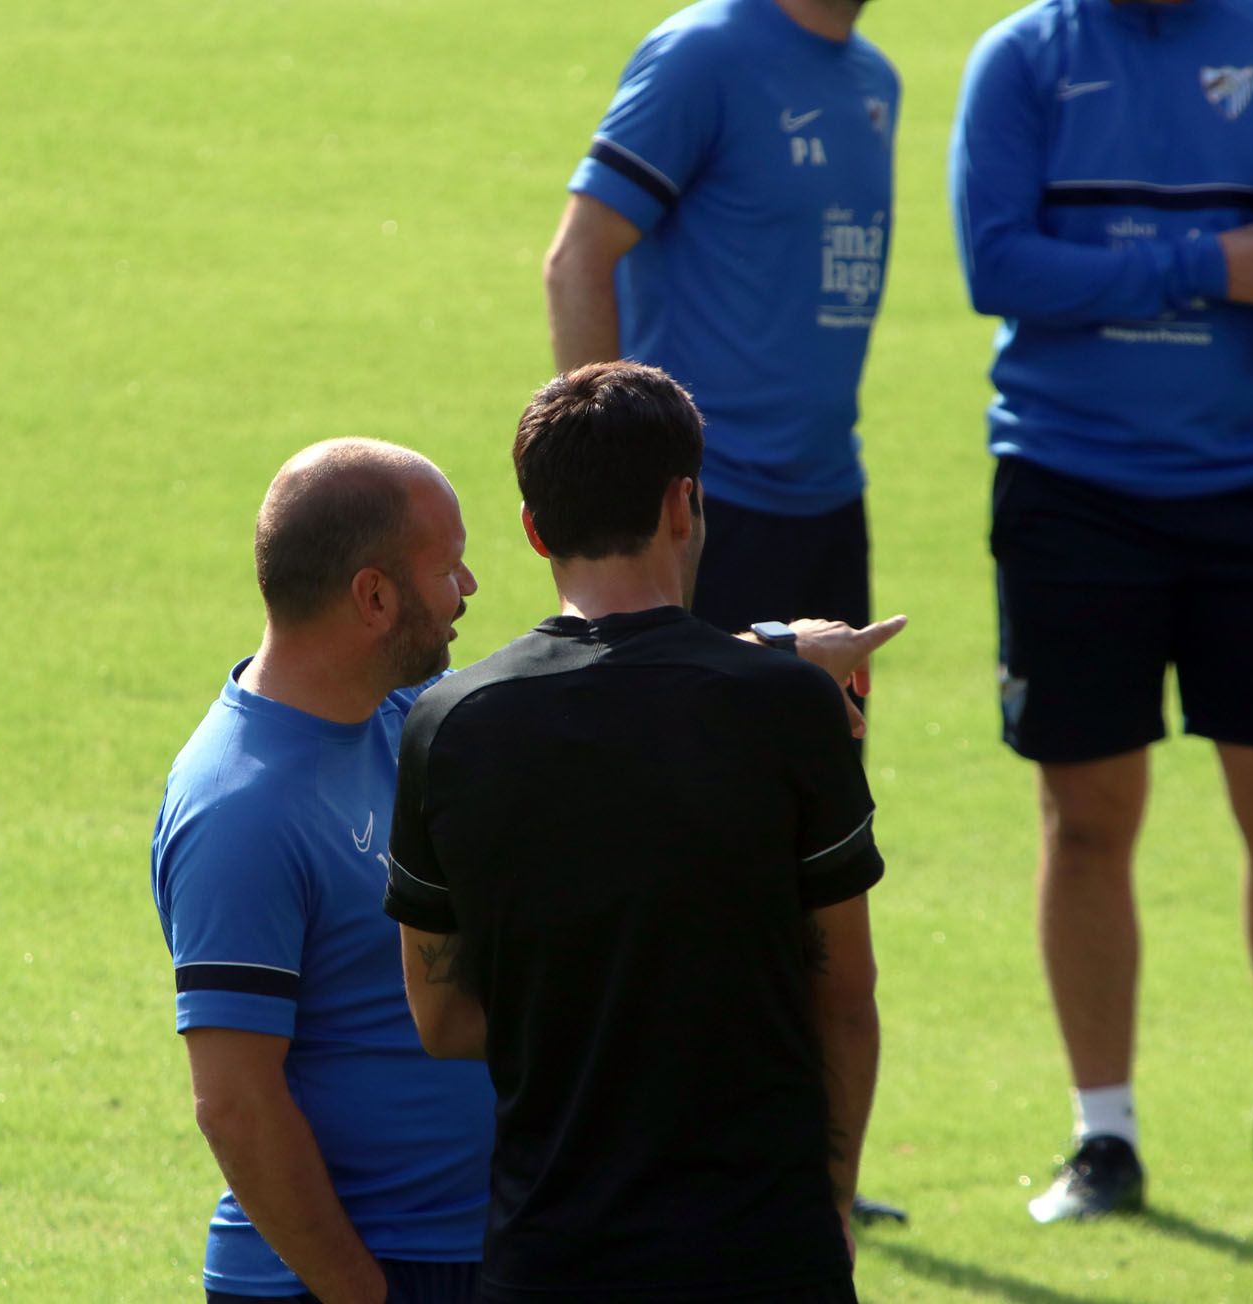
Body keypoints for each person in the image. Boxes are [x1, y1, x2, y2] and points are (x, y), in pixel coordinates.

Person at [951, 0, 1253, 1221]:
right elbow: (994, 264)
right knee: (1086, 819)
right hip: (1068, 489)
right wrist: (1204, 264)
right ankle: (1102, 1135)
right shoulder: (1021, 60)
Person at [383, 361, 899, 1302]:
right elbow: (845, 999)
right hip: (765, 1254)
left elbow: (444, 1016)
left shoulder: (449, 725)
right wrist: (832, 1212)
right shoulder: (788, 709)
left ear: (536, 529)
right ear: (683, 503)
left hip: (551, 1260)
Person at [149, 439, 492, 1302]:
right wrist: (362, 1293)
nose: (469, 590)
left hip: (476, 1253)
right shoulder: (240, 808)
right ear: (374, 596)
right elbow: (235, 1101)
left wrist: (769, 669)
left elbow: (590, 712)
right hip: (346, 1277)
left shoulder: (409, 716)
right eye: (448, 567)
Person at [545, 0, 899, 638]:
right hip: (699, 507)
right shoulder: (702, 54)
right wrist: (613, 491)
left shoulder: (875, 77)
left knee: (826, 736)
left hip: (831, 497)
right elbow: (578, 259)